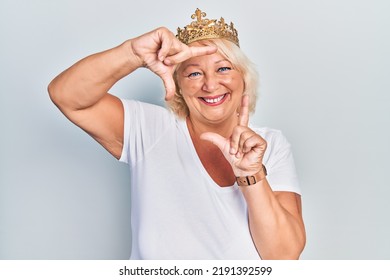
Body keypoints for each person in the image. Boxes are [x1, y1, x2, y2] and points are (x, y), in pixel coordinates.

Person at [48, 8, 306, 260]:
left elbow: (283, 256)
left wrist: (251, 174)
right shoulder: (149, 127)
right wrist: (132, 53)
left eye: (223, 68)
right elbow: (67, 96)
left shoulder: (270, 144)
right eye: (194, 73)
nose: (210, 84)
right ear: (179, 85)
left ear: (244, 79)